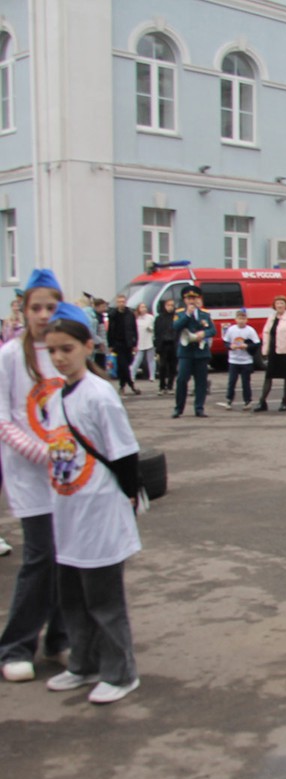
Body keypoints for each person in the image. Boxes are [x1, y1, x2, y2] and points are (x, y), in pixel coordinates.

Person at [43, 310, 142, 704]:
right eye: (52, 351)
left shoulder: (100, 395)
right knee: (72, 598)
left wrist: (129, 498)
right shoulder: (56, 396)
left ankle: (120, 673)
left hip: (98, 509)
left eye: (66, 349)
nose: (59, 358)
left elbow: (124, 453)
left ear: (88, 347)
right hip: (68, 512)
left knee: (103, 599)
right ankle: (83, 665)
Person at [0, 269, 69, 683]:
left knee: (67, 559)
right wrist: (40, 452)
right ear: (23, 310)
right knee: (40, 557)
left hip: (68, 477)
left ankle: (59, 640)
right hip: (30, 474)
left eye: (51, 307)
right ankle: (16, 645)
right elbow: (5, 418)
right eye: (36, 307)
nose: (44, 315)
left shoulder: (64, 350)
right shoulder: (10, 355)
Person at [172, 284, 215, 418]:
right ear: (185, 300)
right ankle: (179, 408)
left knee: (201, 381)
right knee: (181, 380)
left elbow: (213, 330)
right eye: (189, 298)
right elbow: (176, 327)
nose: (191, 301)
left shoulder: (204, 314)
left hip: (201, 352)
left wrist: (204, 333)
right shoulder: (179, 313)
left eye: (194, 298)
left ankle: (199, 408)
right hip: (186, 352)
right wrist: (188, 314)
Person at [218, 309, 260, 411]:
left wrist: (247, 346)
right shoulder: (231, 329)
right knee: (232, 381)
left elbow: (257, 343)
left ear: (246, 319)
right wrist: (230, 346)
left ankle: (247, 401)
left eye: (243, 318)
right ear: (236, 319)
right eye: (239, 318)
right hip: (234, 360)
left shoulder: (250, 330)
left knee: (246, 382)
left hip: (246, 361)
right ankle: (229, 400)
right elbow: (225, 342)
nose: (241, 321)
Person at [107, 293, 139, 395]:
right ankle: (130, 385)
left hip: (128, 343)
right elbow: (110, 330)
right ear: (117, 303)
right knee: (123, 365)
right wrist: (110, 344)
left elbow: (134, 329)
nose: (121, 304)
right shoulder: (113, 314)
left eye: (123, 302)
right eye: (119, 302)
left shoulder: (130, 314)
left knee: (127, 364)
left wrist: (135, 344)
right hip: (118, 343)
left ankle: (124, 384)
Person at [154, 298, 176, 395]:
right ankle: (162, 386)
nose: (170, 307)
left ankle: (170, 386)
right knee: (162, 366)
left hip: (173, 344)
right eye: (168, 305)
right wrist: (157, 347)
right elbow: (157, 333)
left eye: (172, 305)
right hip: (163, 345)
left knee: (173, 367)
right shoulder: (159, 318)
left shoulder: (176, 317)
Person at [132, 302, 156, 384]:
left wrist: (151, 329)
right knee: (137, 359)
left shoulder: (150, 317)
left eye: (145, 307)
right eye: (142, 307)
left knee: (151, 359)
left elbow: (154, 327)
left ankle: (152, 376)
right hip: (140, 341)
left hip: (149, 340)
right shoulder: (136, 319)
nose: (144, 309)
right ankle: (132, 375)